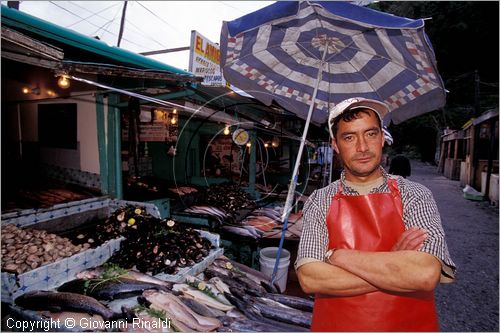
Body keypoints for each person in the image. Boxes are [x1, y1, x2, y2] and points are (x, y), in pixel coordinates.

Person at [295, 97, 456, 332]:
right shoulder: (319, 201)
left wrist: (337, 256)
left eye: (370, 134)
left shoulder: (415, 195)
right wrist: (394, 263)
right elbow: (311, 279)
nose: (362, 147)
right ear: (335, 145)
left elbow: (423, 274)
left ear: (382, 138)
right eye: (349, 137)